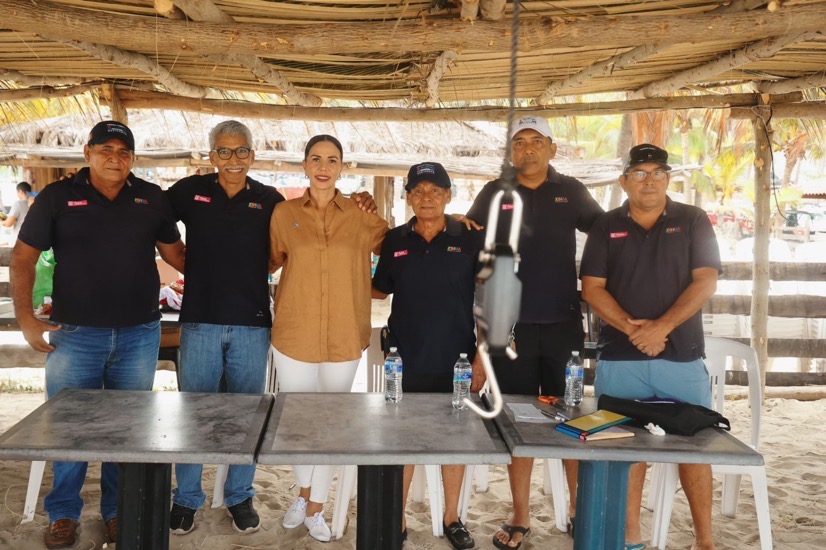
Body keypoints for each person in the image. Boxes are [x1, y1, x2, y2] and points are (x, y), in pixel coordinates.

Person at [10, 120, 185, 549]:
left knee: (125, 430)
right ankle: (64, 513)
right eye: (105, 149)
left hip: (138, 335)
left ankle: (116, 512)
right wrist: (26, 319)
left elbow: (177, 254)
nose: (114, 157)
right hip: (76, 335)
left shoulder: (151, 198)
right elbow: (22, 258)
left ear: (133, 158)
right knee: (68, 428)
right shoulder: (57, 196)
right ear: (87, 152)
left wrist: (231, 276)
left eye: (123, 151)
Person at [464, 115, 603, 550]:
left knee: (571, 419)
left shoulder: (572, 191)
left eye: (536, 141)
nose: (527, 149)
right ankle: (521, 513)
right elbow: (469, 238)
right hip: (511, 327)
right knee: (516, 422)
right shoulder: (494, 192)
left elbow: (606, 234)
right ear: (510, 151)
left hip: (563, 324)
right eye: (519, 142)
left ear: (551, 149)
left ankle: (578, 509)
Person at [580, 143, 721, 550]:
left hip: (682, 355)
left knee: (695, 448)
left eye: (658, 172)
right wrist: (631, 328)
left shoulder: (693, 219)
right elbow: (592, 289)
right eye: (640, 173)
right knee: (624, 445)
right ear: (624, 180)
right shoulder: (606, 226)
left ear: (668, 178)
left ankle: (705, 541)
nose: (649, 181)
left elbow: (706, 280)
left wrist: (661, 327)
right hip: (621, 358)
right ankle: (630, 539)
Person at [165, 120, 285, 535]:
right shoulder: (187, 192)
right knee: (193, 414)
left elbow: (281, 250)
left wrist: (252, 272)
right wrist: (188, 264)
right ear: (210, 155)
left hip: (252, 324)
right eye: (223, 151)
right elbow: (155, 221)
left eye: (241, 151)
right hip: (199, 321)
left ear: (252, 154)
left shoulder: (269, 198)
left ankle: (239, 495)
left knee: (245, 415)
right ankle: (186, 498)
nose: (232, 159)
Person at [269, 134, 389, 542]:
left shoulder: (361, 215)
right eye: (316, 158)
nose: (323, 166)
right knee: (299, 422)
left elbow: (398, 246)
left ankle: (315, 505)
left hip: (343, 331)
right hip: (294, 331)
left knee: (332, 423)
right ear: (304, 165)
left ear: (342, 167)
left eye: (332, 160)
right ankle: (305, 495)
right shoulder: (283, 215)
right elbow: (269, 262)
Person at [372, 162, 484, 549]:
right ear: (407, 196)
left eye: (435, 190)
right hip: (403, 357)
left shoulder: (470, 238)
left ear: (449, 195)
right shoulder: (394, 239)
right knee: (400, 439)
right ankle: (398, 518)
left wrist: (482, 357)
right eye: (418, 191)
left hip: (457, 359)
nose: (426, 197)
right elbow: (378, 289)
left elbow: (488, 301)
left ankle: (452, 516)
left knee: (457, 440)